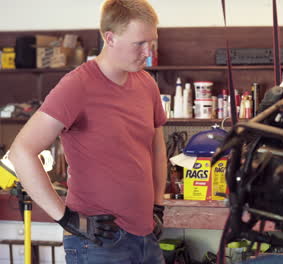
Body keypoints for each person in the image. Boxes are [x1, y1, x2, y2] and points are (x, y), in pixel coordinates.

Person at [9, 0, 167, 263]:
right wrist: (65, 217)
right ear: (110, 38)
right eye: (139, 44)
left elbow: (157, 146)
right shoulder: (77, 85)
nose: (148, 52)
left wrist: (158, 204)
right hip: (99, 241)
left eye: (152, 42)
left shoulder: (146, 83)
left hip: (146, 236)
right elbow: (21, 151)